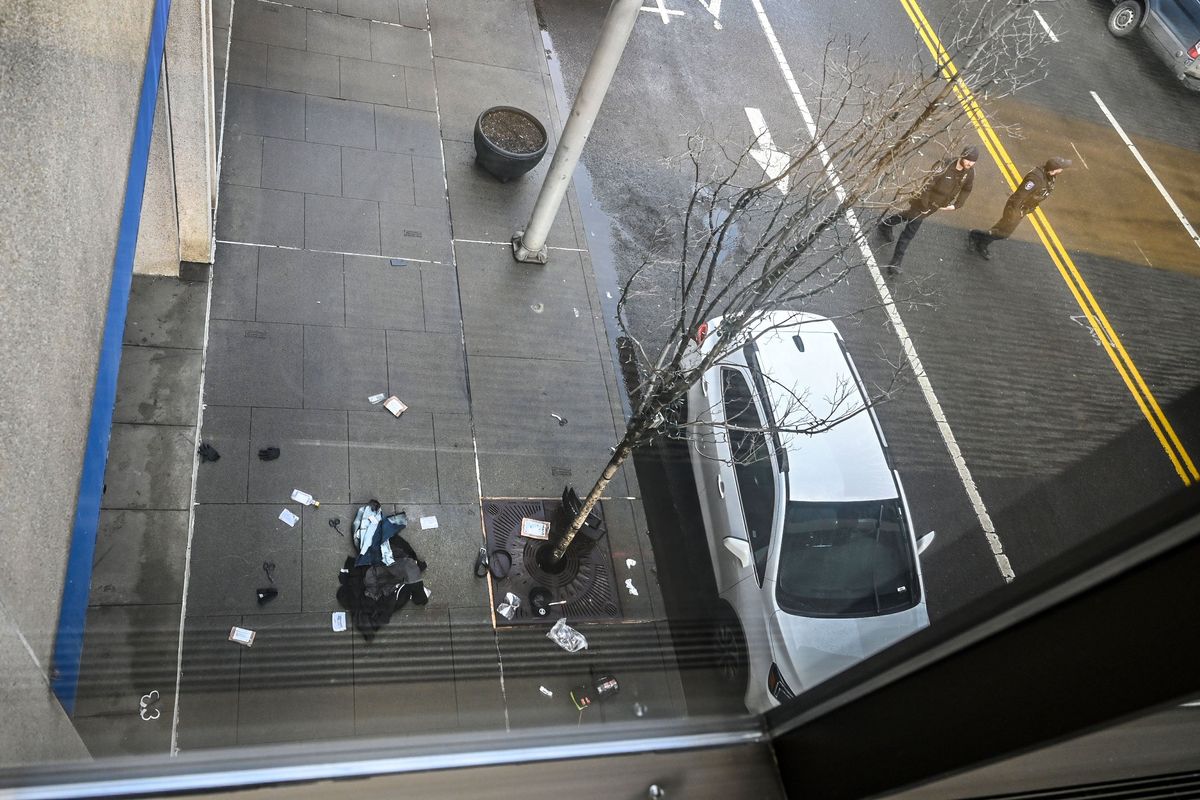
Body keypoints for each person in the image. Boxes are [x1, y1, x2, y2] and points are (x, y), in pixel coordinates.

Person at [877, 145, 978, 273]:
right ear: (962, 156)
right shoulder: (944, 165)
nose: (970, 163)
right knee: (909, 232)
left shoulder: (970, 172)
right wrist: (924, 207)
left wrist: (957, 204)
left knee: (908, 215)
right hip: (922, 203)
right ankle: (895, 263)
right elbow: (927, 185)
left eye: (973, 161)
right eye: (968, 159)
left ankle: (885, 225)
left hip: (934, 207)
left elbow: (967, 188)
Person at [968, 157, 1072, 259]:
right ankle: (975, 234)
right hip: (1015, 208)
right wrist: (1015, 213)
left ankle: (982, 243)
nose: (1062, 170)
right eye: (1061, 168)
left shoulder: (1050, 176)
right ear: (1054, 169)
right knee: (1003, 233)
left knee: (1000, 229)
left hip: (1023, 209)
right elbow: (1019, 196)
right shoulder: (1035, 179)